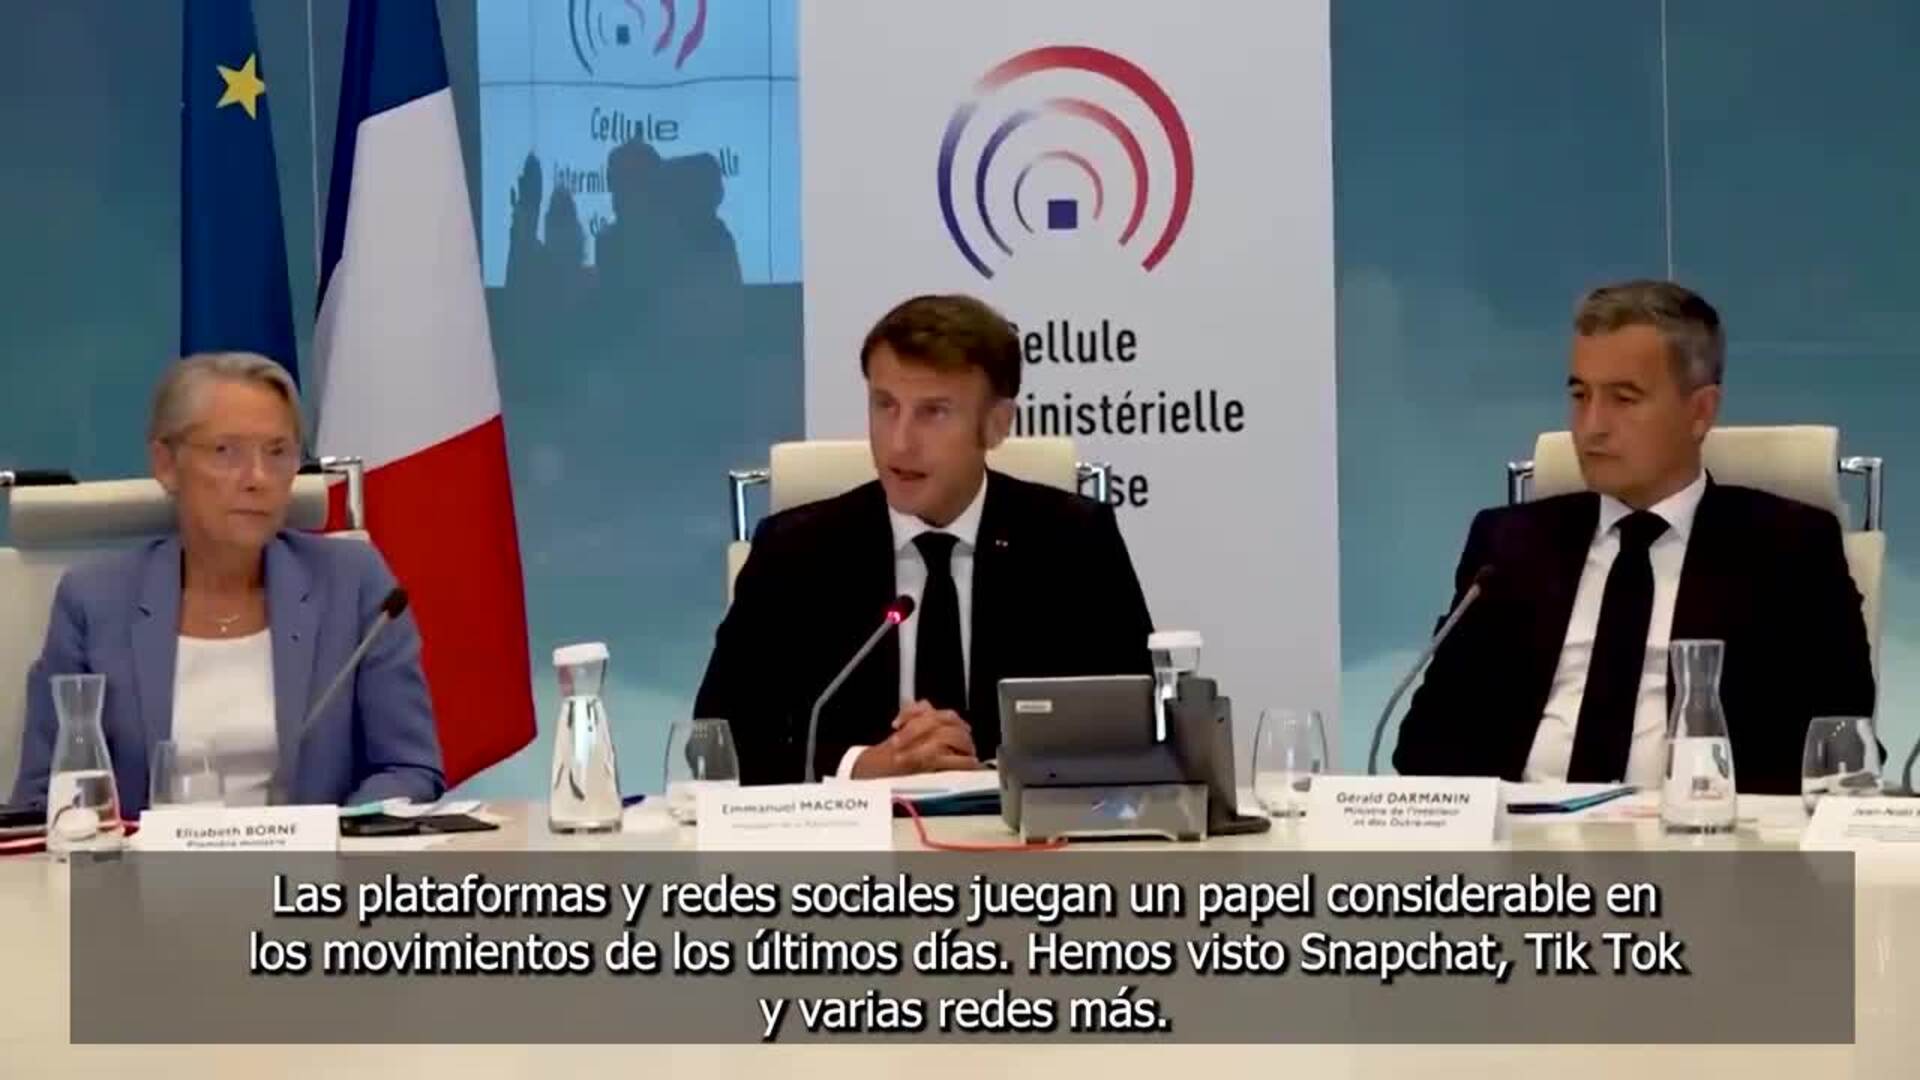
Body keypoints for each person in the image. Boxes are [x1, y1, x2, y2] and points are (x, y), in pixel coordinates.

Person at [1393, 280, 1874, 794]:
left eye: (1623, 399)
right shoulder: (1509, 548)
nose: (1591, 426)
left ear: (1700, 412)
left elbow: (1840, 753)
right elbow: (1423, 747)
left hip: (1702, 832)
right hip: (1525, 830)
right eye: (1580, 395)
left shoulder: (1790, 550)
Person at [695, 294, 1155, 783]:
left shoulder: (1073, 543)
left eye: (933, 412)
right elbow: (717, 740)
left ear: (996, 425)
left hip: (1018, 829)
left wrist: (993, 768)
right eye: (885, 406)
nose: (899, 443)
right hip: (855, 830)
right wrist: (859, 767)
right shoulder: (795, 552)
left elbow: (1137, 729)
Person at [10, 353, 444, 815]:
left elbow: (408, 768)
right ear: (166, 463)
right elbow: (44, 798)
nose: (258, 478)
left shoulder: (352, 583)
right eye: (225, 451)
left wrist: (331, 835)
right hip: (144, 862)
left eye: (277, 452)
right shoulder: (94, 601)